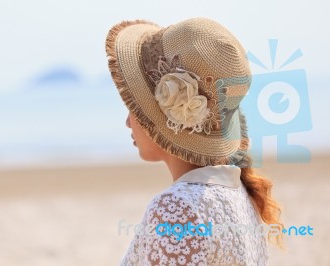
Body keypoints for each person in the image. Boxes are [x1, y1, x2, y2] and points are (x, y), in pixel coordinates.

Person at [105, 17, 282, 266]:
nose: (127, 121)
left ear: (165, 115)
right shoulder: (240, 195)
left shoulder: (176, 209)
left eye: (135, 107)